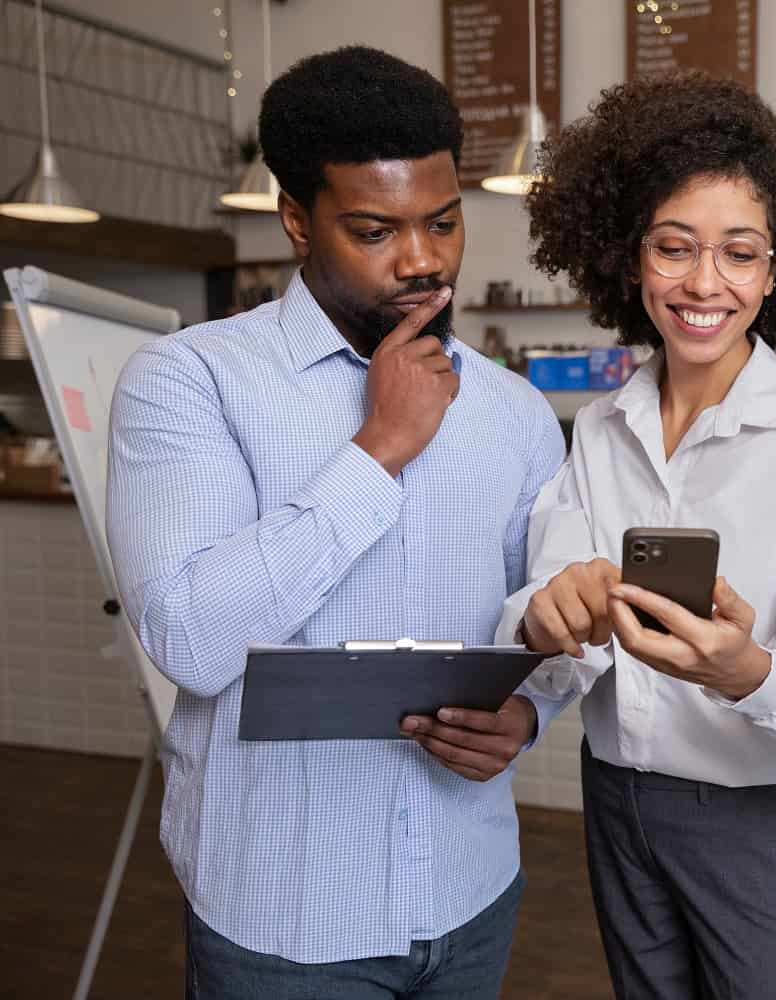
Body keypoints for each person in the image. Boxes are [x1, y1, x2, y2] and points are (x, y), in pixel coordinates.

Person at [106, 46, 565, 998]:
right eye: (374, 229)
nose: (423, 260)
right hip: (283, 909)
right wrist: (379, 449)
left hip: (469, 889)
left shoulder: (515, 411)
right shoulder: (188, 383)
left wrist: (528, 714)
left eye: (443, 223)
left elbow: (549, 610)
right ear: (296, 224)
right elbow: (188, 636)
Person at [497, 71, 776, 998]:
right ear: (629, 257)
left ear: (774, 269)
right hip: (618, 805)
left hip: (758, 822)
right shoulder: (598, 429)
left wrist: (747, 672)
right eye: (674, 248)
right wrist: (546, 617)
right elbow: (556, 635)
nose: (704, 284)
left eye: (740, 253)